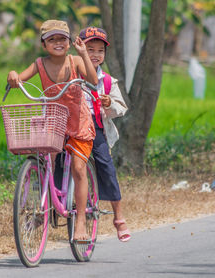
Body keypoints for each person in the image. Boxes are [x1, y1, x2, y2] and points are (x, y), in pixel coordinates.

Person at [7, 20, 98, 242]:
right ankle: (46, 203)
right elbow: (19, 77)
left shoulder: (74, 61)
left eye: (62, 39)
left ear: (69, 42)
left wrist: (84, 53)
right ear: (43, 44)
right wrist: (12, 75)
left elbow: (94, 79)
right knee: (45, 156)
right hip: (54, 121)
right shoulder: (39, 64)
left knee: (78, 168)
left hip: (78, 122)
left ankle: (81, 223)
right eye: (52, 39)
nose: (57, 43)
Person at [79, 26, 131, 242]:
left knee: (106, 166)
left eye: (100, 51)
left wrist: (109, 103)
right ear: (79, 49)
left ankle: (118, 217)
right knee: (59, 161)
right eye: (90, 49)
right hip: (73, 126)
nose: (95, 55)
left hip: (96, 127)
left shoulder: (107, 81)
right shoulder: (71, 73)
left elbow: (121, 107)